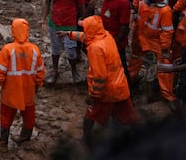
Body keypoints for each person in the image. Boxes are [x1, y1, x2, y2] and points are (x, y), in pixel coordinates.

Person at [59, 16, 138, 148]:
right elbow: (87, 36)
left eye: (84, 27)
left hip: (106, 91)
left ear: (90, 30)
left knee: (89, 117)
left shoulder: (95, 48)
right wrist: (69, 34)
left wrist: (93, 95)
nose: (83, 29)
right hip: (121, 87)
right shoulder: (106, 36)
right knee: (128, 117)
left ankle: (87, 142)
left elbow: (99, 76)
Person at [0, 18, 45, 150]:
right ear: (27, 31)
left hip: (10, 93)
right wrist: (37, 85)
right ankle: (24, 139)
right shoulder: (35, 50)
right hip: (28, 91)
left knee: (5, 118)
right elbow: (40, 72)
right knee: (29, 117)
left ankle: (3, 144)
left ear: (13, 32)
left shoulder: (7, 50)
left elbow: (0, 73)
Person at [127, 0, 175, 103]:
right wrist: (134, 13)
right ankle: (129, 80)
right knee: (135, 57)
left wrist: (164, 49)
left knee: (164, 65)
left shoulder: (165, 11)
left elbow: (167, 32)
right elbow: (136, 0)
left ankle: (167, 96)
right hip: (140, 35)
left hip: (155, 41)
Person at [42, 0, 85, 84]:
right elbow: (47, 2)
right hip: (54, 24)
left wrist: (81, 21)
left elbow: (82, 7)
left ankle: (74, 71)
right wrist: (44, 18)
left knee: (71, 51)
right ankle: (55, 72)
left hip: (70, 26)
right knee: (55, 50)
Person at [99, 0, 132, 73]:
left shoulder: (123, 2)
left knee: (120, 65)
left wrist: (116, 42)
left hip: (116, 40)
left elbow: (124, 25)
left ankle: (127, 86)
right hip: (105, 37)